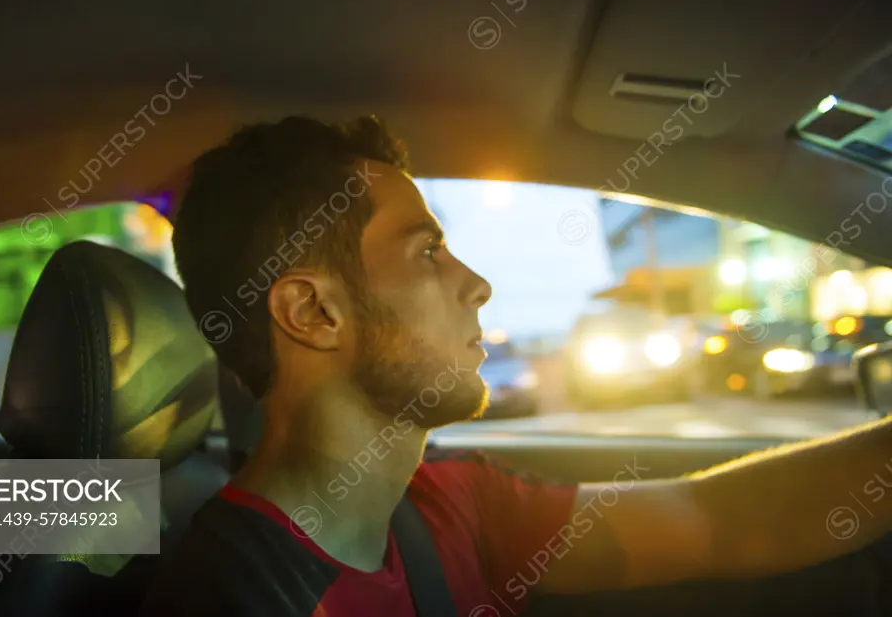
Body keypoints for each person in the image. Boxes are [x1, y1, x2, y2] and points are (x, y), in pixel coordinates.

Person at [143, 115, 892, 616]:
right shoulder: (229, 594)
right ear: (312, 312)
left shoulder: (450, 505)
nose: (479, 284)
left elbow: (715, 523)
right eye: (427, 251)